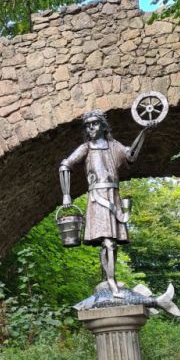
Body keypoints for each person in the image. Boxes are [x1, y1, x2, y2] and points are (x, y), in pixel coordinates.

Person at [59, 109, 155, 297]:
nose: (91, 128)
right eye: (87, 125)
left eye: (94, 124)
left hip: (114, 195)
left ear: (103, 126)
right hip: (97, 198)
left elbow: (131, 155)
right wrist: (66, 195)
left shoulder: (114, 145)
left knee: (111, 243)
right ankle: (111, 283)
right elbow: (65, 165)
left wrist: (143, 132)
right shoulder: (86, 148)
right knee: (109, 243)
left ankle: (108, 278)